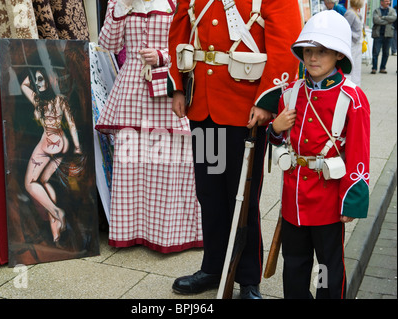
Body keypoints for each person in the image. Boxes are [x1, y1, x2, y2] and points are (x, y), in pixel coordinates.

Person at [168, 0, 301, 299]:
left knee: (242, 197)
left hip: (245, 111)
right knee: (209, 193)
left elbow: (285, 43)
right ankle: (214, 266)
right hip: (203, 109)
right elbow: (180, 30)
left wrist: (267, 101)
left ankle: (247, 277)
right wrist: (178, 86)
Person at [268, 10, 370, 299]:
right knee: (295, 265)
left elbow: (359, 152)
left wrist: (351, 201)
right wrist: (275, 129)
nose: (313, 58)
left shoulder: (353, 98)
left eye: (323, 51)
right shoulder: (290, 92)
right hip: (293, 196)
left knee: (326, 268)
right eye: (308, 51)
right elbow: (277, 141)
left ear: (339, 55)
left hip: (328, 198)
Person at [96, 0, 203, 253]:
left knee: (170, 160)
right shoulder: (119, 2)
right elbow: (108, 44)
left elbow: (191, 43)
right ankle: (132, 231)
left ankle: (172, 233)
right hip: (132, 86)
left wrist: (161, 56)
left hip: (168, 85)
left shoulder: (177, 2)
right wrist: (121, 7)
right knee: (133, 160)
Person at [21, 69, 83, 244]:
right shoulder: (58, 100)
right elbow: (70, 126)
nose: (38, 83)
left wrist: (31, 67)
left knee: (30, 183)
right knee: (45, 182)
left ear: (49, 80)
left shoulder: (39, 101)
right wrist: (76, 147)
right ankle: (56, 233)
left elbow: (23, 84)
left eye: (41, 79)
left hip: (48, 145)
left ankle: (57, 212)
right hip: (61, 145)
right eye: (36, 80)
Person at [371, 0, 397, 74]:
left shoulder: (392, 10)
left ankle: (383, 68)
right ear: (381, 2)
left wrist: (382, 17)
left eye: (388, 1)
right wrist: (387, 21)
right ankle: (374, 68)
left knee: (386, 53)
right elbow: (376, 20)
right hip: (378, 34)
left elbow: (394, 18)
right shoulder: (376, 10)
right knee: (375, 52)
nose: (388, 2)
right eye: (386, 1)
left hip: (388, 34)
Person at [344, 0, 365, 86]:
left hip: (357, 43)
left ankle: (356, 85)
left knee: (356, 66)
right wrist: (354, 36)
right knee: (352, 65)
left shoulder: (356, 13)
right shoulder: (350, 13)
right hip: (352, 43)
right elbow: (345, 28)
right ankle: (349, 84)